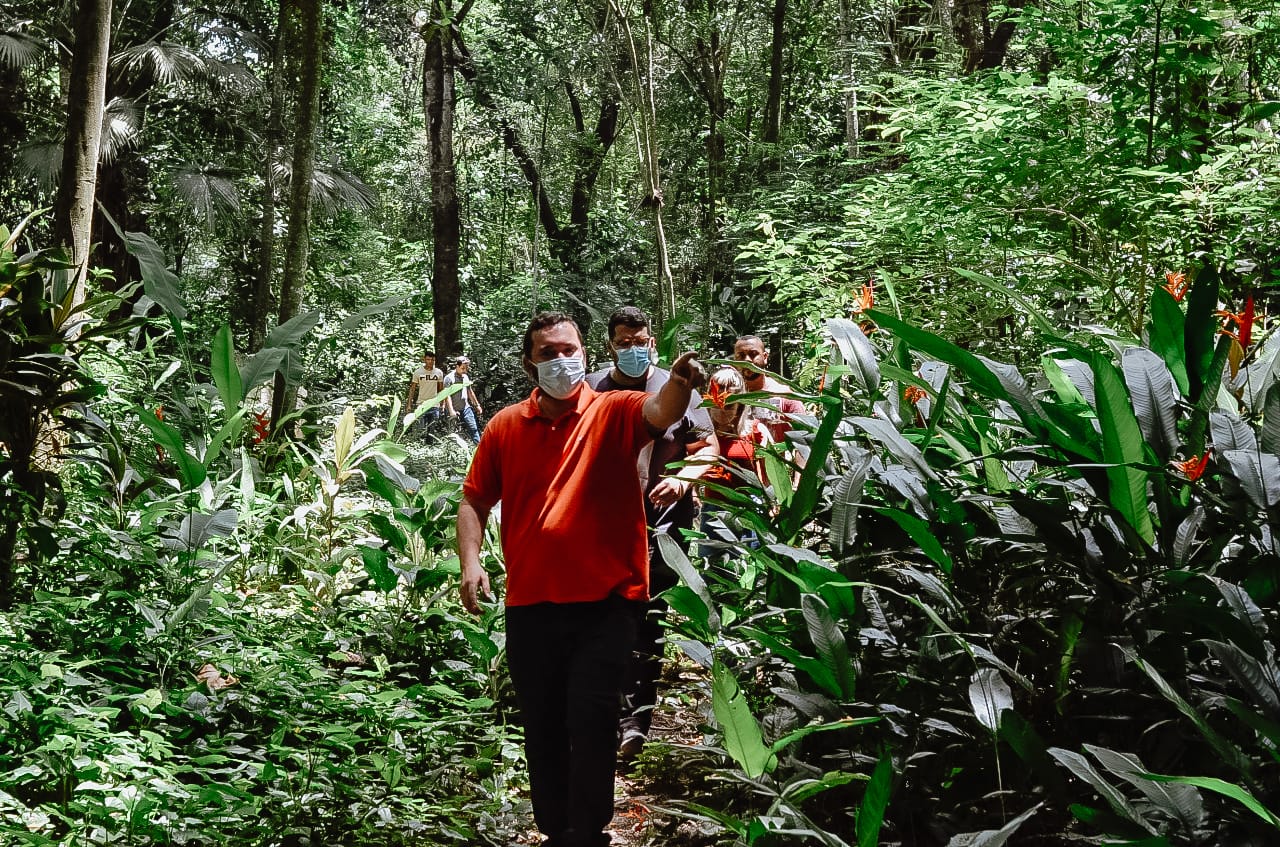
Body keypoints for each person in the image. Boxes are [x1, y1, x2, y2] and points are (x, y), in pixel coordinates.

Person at [457, 311, 705, 847]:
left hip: (607, 601)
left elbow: (660, 411)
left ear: (586, 354)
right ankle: (555, 828)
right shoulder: (505, 425)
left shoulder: (614, 409)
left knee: (592, 717)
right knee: (543, 721)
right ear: (530, 364)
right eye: (547, 353)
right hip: (531, 601)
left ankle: (588, 830)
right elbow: (475, 498)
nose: (561, 360)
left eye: (569, 350)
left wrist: (682, 382)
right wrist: (470, 563)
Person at [586, 305, 717, 762]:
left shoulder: (674, 388)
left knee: (648, 618)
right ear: (610, 346)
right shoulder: (591, 389)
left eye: (640, 342)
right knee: (601, 617)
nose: (633, 350)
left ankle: (635, 722)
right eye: (624, 343)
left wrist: (684, 478)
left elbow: (707, 447)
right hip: (601, 526)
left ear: (652, 342)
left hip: (663, 525)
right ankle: (603, 713)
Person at [698, 367, 771, 559]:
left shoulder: (755, 431)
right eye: (717, 404)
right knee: (712, 564)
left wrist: (771, 502)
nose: (722, 411)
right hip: (714, 509)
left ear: (739, 405)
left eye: (729, 405)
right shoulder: (702, 433)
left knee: (749, 562)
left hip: (747, 509)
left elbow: (767, 473)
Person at [732, 333, 805, 442]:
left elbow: (803, 436)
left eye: (753, 354)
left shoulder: (784, 395)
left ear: (765, 357)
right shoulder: (730, 397)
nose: (747, 360)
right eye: (741, 356)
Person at [443, 355, 484, 444]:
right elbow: (447, 396)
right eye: (463, 368)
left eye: (466, 368)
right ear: (457, 366)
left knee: (473, 428)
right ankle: (454, 450)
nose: (465, 370)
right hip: (454, 409)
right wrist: (451, 411)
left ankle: (479, 447)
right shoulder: (449, 378)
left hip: (466, 408)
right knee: (453, 433)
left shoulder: (465, 377)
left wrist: (477, 405)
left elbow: (470, 391)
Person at [405, 350, 445, 435]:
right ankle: (419, 442)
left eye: (432, 360)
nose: (430, 362)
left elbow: (441, 389)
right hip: (421, 404)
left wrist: (442, 403)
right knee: (421, 430)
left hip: (434, 404)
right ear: (424, 360)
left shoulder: (438, 372)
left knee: (432, 431)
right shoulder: (418, 372)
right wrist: (409, 404)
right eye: (428, 359)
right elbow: (412, 389)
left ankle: (430, 443)